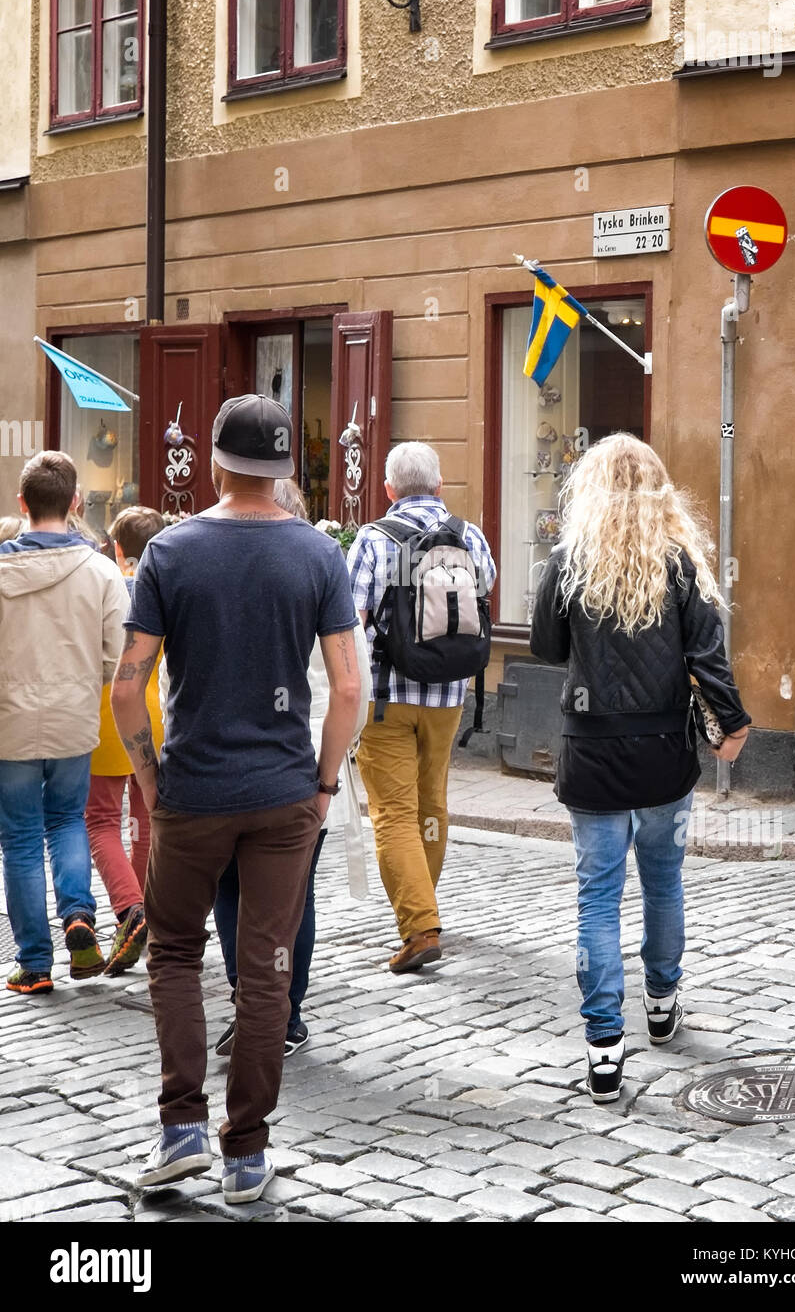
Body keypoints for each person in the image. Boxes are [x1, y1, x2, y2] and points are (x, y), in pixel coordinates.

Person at [112, 395, 361, 1205]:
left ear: (215, 463)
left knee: (178, 954)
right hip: (285, 791)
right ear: (287, 467)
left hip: (193, 788)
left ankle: (181, 1128)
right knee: (267, 972)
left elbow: (127, 687)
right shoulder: (318, 554)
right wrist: (323, 786)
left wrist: (149, 779)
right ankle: (247, 1153)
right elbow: (351, 689)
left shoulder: (170, 552)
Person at [530, 433, 750, 1103]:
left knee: (597, 896)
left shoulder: (570, 560)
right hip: (663, 753)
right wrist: (732, 725)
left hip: (593, 750)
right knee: (662, 882)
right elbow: (708, 657)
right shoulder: (680, 563)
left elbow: (545, 646)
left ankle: (603, 1048)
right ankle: (660, 1004)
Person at [211, 479, 371, 1058]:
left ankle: (250, 1001)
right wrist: (329, 776)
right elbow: (354, 689)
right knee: (291, 895)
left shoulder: (212, 569)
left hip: (226, 762)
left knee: (232, 886)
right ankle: (283, 1013)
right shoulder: (321, 571)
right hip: (304, 766)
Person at [347, 441, 496, 973]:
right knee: (431, 805)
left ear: (388, 490)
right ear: (439, 487)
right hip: (449, 694)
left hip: (387, 697)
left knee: (391, 814)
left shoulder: (373, 538)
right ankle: (422, 905)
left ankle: (419, 926)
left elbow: (352, 618)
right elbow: (488, 587)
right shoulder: (469, 535)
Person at [0, 451, 129, 993]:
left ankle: (35, 963)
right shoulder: (100, 570)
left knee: (22, 838)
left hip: (10, 720)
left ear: (22, 503)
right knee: (67, 821)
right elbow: (116, 655)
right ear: (76, 503)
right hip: (74, 716)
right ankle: (79, 915)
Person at [85, 506, 166, 976]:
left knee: (99, 820)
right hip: (153, 717)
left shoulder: (107, 586)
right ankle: (144, 918)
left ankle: (129, 908)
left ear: (118, 549)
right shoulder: (161, 590)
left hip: (106, 713)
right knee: (146, 822)